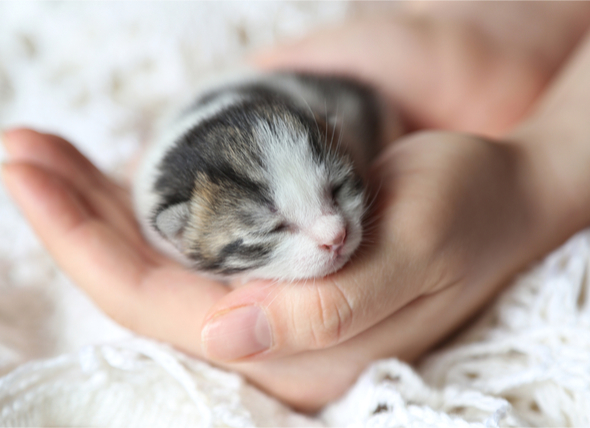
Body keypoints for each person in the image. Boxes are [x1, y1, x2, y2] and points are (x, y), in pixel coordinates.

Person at [4, 2, 590, 411]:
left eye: (337, 188)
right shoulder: (174, 215)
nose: (334, 229)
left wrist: (541, 168)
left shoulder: (322, 123)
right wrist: (496, 28)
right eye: (274, 226)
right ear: (181, 238)